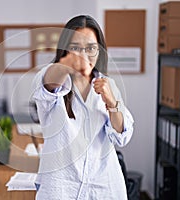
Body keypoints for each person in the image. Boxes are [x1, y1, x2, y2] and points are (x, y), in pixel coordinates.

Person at [31, 15, 134, 200]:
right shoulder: (54, 79)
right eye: (75, 48)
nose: (84, 56)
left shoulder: (108, 85)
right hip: (61, 188)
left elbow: (121, 137)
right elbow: (47, 83)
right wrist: (66, 66)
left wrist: (112, 103)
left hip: (103, 187)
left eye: (91, 48)